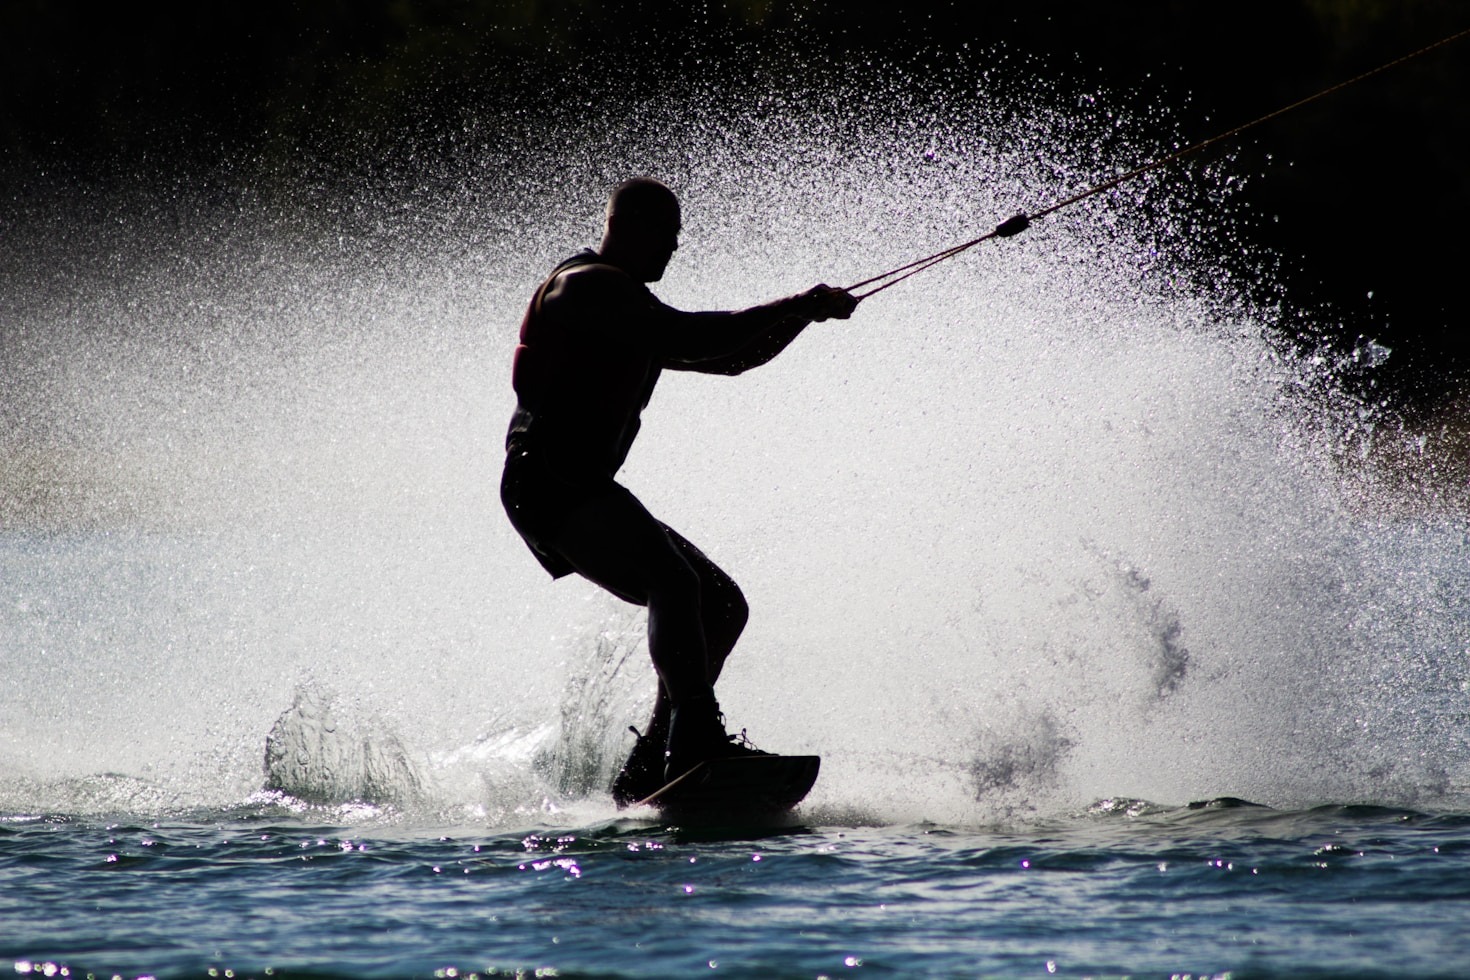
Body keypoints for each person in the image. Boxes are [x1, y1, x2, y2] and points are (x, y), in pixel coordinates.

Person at [501, 176, 857, 806]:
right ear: (628, 225)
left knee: (720, 605)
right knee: (676, 583)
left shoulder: (631, 309)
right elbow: (698, 336)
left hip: (579, 483)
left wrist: (803, 317)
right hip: (548, 479)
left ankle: (651, 766)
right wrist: (797, 301)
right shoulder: (586, 288)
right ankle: (695, 738)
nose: (674, 250)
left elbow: (732, 358)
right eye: (667, 236)